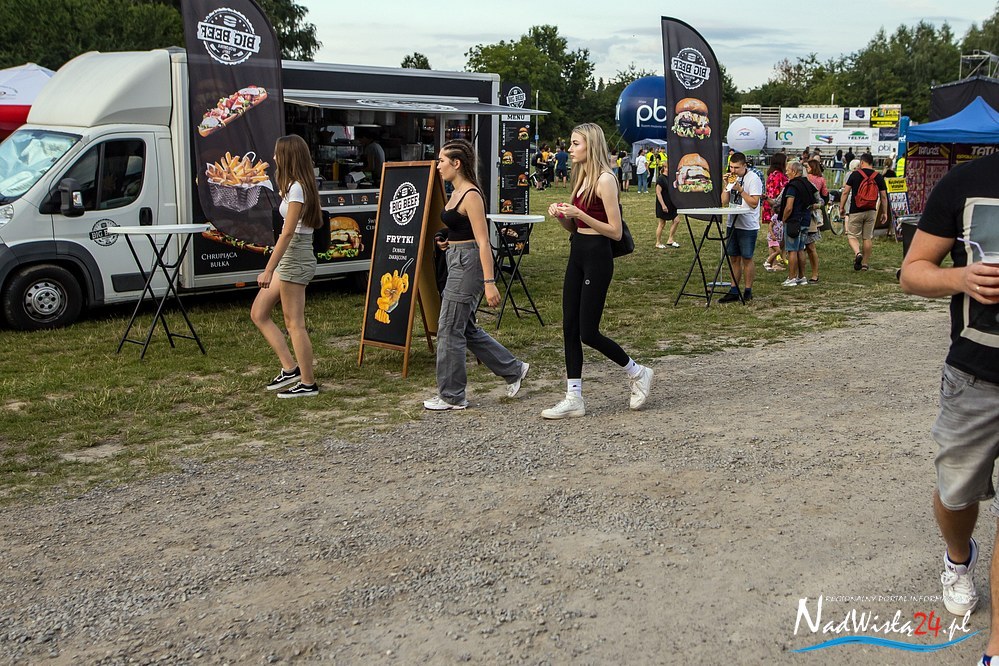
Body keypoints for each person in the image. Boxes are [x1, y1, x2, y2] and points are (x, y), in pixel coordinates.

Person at [898, 150, 999, 666]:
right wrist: (962, 279)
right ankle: (959, 557)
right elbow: (912, 273)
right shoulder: (967, 181)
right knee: (957, 495)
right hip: (974, 374)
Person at [542, 123, 654, 419]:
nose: (570, 148)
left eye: (575, 143)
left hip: (597, 257)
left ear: (590, 145)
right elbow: (575, 226)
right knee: (569, 327)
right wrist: (562, 216)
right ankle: (573, 397)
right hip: (578, 251)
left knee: (588, 332)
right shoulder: (581, 177)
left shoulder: (606, 179)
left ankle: (638, 372)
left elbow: (615, 231)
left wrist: (579, 212)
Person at [424, 139, 529, 411]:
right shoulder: (455, 191)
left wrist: (490, 282)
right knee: (465, 328)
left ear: (457, 163)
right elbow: (461, 229)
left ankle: (452, 396)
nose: (438, 166)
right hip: (455, 258)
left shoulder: (471, 194)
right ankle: (514, 369)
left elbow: (483, 241)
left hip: (468, 264)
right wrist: (446, 240)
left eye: (442, 161)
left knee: (449, 329)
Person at [251, 134, 322, 398]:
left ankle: (308, 383)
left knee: (294, 323)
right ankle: (290, 368)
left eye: (277, 153)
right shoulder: (293, 186)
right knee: (259, 313)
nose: (273, 157)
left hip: (295, 256)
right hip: (290, 256)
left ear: (288, 156)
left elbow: (288, 233)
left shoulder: (298, 189)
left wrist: (269, 269)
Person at [718, 151, 763, 303]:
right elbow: (724, 201)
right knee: (734, 258)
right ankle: (733, 289)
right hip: (733, 222)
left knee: (747, 258)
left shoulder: (753, 178)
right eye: (731, 167)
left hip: (748, 224)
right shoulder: (732, 177)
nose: (733, 170)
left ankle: (748, 290)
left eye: (736, 168)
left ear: (744, 165)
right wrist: (726, 185)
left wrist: (741, 190)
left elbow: (754, 203)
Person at [839, 152, 888, 271]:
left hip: (856, 210)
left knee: (852, 236)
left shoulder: (855, 174)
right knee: (867, 238)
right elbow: (883, 196)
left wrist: (841, 207)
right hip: (871, 210)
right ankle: (865, 264)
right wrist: (884, 212)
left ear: (862, 162)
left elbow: (845, 192)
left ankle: (857, 253)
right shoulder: (878, 176)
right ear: (872, 163)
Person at [779, 161, 819, 287]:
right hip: (806, 220)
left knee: (792, 250)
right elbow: (817, 200)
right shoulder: (808, 184)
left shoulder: (792, 186)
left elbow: (789, 206)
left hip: (794, 221)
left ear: (794, 171)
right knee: (801, 249)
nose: (786, 173)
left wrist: (784, 219)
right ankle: (802, 277)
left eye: (788, 170)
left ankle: (791, 278)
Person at [762, 152, 789, 272]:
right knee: (775, 237)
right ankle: (772, 263)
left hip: (770, 207)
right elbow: (779, 194)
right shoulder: (780, 176)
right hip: (776, 209)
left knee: (777, 236)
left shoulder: (771, 175)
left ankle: (777, 259)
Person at [804, 158, 829, 282]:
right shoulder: (821, 179)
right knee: (811, 246)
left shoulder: (807, 179)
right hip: (814, 211)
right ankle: (815, 273)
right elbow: (825, 195)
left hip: (805, 212)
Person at [655, 161, 680, 249]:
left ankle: (670, 239)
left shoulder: (671, 178)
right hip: (663, 203)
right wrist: (663, 205)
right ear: (665, 168)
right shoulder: (661, 179)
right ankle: (658, 242)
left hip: (671, 204)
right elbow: (658, 193)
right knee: (662, 223)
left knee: (676, 220)